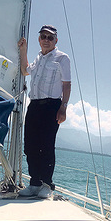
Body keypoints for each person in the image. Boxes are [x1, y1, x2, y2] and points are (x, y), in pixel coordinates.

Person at [18, 25, 71, 198]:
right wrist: (23, 50)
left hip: (51, 106)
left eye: (50, 37)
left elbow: (66, 84)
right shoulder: (38, 58)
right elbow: (25, 70)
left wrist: (63, 107)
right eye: (43, 37)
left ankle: (47, 185)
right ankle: (34, 183)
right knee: (30, 145)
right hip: (34, 106)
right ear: (39, 39)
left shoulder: (62, 58)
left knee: (46, 146)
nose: (46, 40)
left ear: (56, 40)